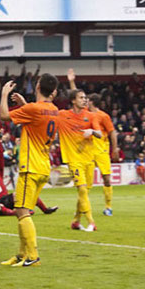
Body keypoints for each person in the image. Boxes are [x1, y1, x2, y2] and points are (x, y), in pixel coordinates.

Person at [0, 74, 60, 267]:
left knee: (21, 211)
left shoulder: (34, 109)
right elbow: (35, 120)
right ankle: (21, 254)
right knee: (21, 211)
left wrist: (4, 94)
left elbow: (4, 116)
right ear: (55, 91)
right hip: (43, 166)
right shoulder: (54, 110)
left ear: (38, 86)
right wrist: (25, 103)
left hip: (30, 167)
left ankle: (32, 257)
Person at [0, 134, 58, 217]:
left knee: (24, 193)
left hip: (6, 199)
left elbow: (1, 158)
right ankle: (15, 213)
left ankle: (45, 209)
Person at [60, 72, 103, 231]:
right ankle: (91, 222)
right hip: (74, 160)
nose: (84, 100)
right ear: (73, 101)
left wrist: (91, 131)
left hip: (88, 159)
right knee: (82, 190)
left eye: (86, 98)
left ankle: (76, 221)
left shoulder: (91, 116)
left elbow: (100, 134)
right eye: (81, 98)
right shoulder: (63, 116)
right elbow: (47, 116)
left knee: (84, 192)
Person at [87, 93, 119, 216]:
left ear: (92, 102)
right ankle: (84, 206)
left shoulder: (103, 116)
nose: (85, 101)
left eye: (87, 100)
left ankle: (108, 207)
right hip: (88, 151)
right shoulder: (85, 114)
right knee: (86, 182)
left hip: (102, 151)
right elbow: (76, 95)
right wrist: (71, 81)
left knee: (106, 178)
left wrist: (115, 149)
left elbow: (112, 132)